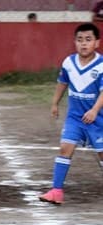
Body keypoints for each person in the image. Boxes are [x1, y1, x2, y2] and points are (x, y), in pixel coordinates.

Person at [39, 23, 103, 205]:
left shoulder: (101, 65)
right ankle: (56, 191)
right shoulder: (68, 62)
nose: (84, 44)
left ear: (97, 43)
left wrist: (95, 110)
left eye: (88, 40)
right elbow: (62, 83)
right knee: (65, 149)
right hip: (75, 118)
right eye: (80, 40)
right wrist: (55, 103)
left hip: (97, 120)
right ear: (75, 42)